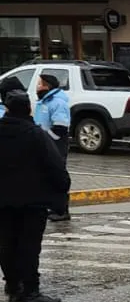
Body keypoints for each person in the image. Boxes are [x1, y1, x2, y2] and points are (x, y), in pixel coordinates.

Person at [0, 88, 70, 302]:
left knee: (7, 244)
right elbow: (55, 166)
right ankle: (30, 291)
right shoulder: (35, 134)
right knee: (29, 246)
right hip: (32, 202)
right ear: (28, 108)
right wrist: (62, 193)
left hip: (3, 202)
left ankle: (14, 287)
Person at [34, 73, 72, 222]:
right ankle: (54, 207)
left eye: (39, 84)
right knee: (47, 176)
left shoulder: (57, 103)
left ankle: (62, 210)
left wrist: (46, 138)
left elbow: (60, 128)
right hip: (45, 144)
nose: (37, 87)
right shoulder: (43, 102)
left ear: (47, 86)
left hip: (56, 144)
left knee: (58, 175)